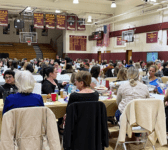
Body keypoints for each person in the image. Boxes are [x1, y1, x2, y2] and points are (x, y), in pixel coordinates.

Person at [116, 67, 149, 141]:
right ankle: (137, 136)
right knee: (138, 112)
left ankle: (124, 133)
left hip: (125, 115)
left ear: (127, 74)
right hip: (140, 117)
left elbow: (118, 101)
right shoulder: (145, 87)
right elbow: (147, 101)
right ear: (138, 75)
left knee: (118, 112)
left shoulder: (122, 86)